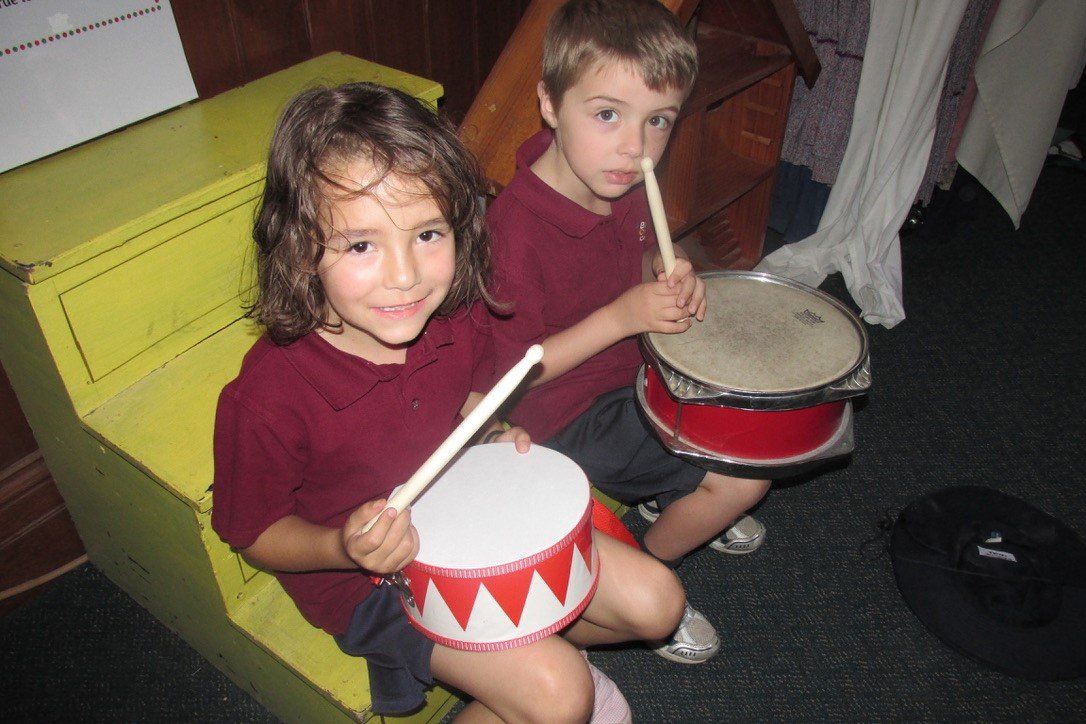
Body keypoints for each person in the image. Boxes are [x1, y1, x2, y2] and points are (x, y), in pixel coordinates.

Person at [211, 82, 685, 723]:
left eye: (428, 233)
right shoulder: (266, 396)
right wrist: (342, 547)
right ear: (298, 247)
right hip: (367, 580)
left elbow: (458, 393)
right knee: (561, 695)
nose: (405, 275)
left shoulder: (450, 316)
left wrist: (484, 427)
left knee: (658, 603)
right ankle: (539, 678)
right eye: (361, 245)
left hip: (464, 512)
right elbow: (253, 533)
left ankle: (528, 659)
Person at [487, 0, 772, 665]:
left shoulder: (623, 179)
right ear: (550, 105)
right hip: (559, 420)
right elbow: (509, 381)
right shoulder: (511, 234)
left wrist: (666, 271)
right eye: (607, 114)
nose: (636, 147)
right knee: (742, 476)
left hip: (634, 375)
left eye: (658, 121)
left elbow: (638, 261)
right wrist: (624, 317)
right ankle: (640, 567)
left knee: (753, 411)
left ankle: (670, 500)